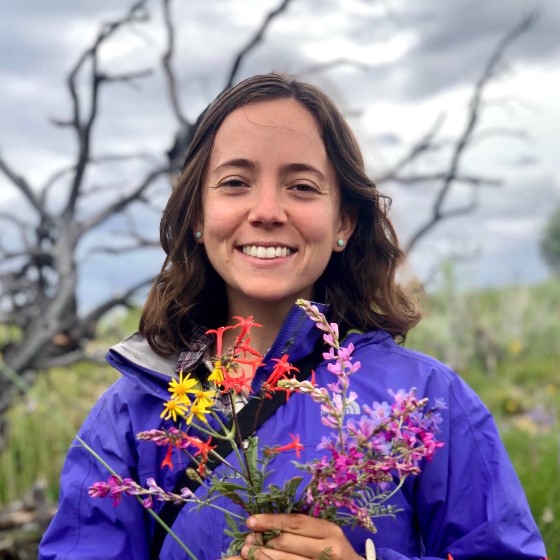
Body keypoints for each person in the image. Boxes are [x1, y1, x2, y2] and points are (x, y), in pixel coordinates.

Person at [39, 73, 547, 560]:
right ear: (196, 215)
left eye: (302, 187)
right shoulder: (134, 410)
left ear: (343, 221)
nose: (267, 210)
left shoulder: (425, 402)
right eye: (235, 182)